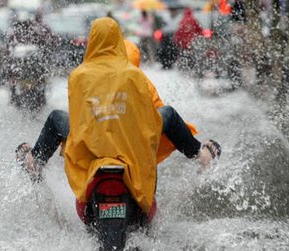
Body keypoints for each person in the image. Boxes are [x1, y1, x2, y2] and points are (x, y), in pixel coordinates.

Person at [16, 17, 220, 221]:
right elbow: (146, 114)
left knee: (55, 118)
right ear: (117, 41)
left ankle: (35, 161)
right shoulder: (135, 75)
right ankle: (200, 155)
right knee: (168, 113)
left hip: (91, 142)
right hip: (130, 145)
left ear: (92, 41)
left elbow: (79, 116)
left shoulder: (78, 76)